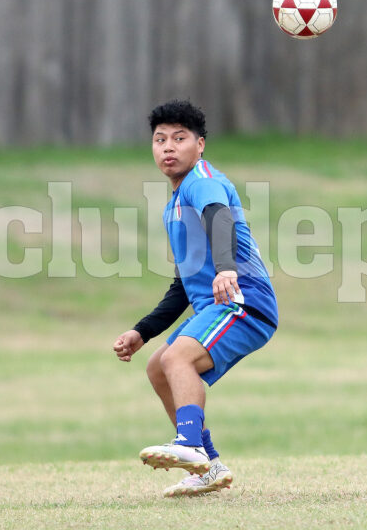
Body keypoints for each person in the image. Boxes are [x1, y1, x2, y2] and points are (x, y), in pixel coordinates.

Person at [112, 99, 278, 497]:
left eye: (179, 138)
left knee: (177, 359)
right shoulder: (176, 201)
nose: (168, 147)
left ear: (200, 145)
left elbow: (219, 216)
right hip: (218, 303)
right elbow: (183, 284)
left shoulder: (201, 182)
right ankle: (208, 466)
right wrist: (143, 330)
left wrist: (225, 268)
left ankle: (188, 444)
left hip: (244, 300)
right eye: (160, 139)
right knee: (158, 367)